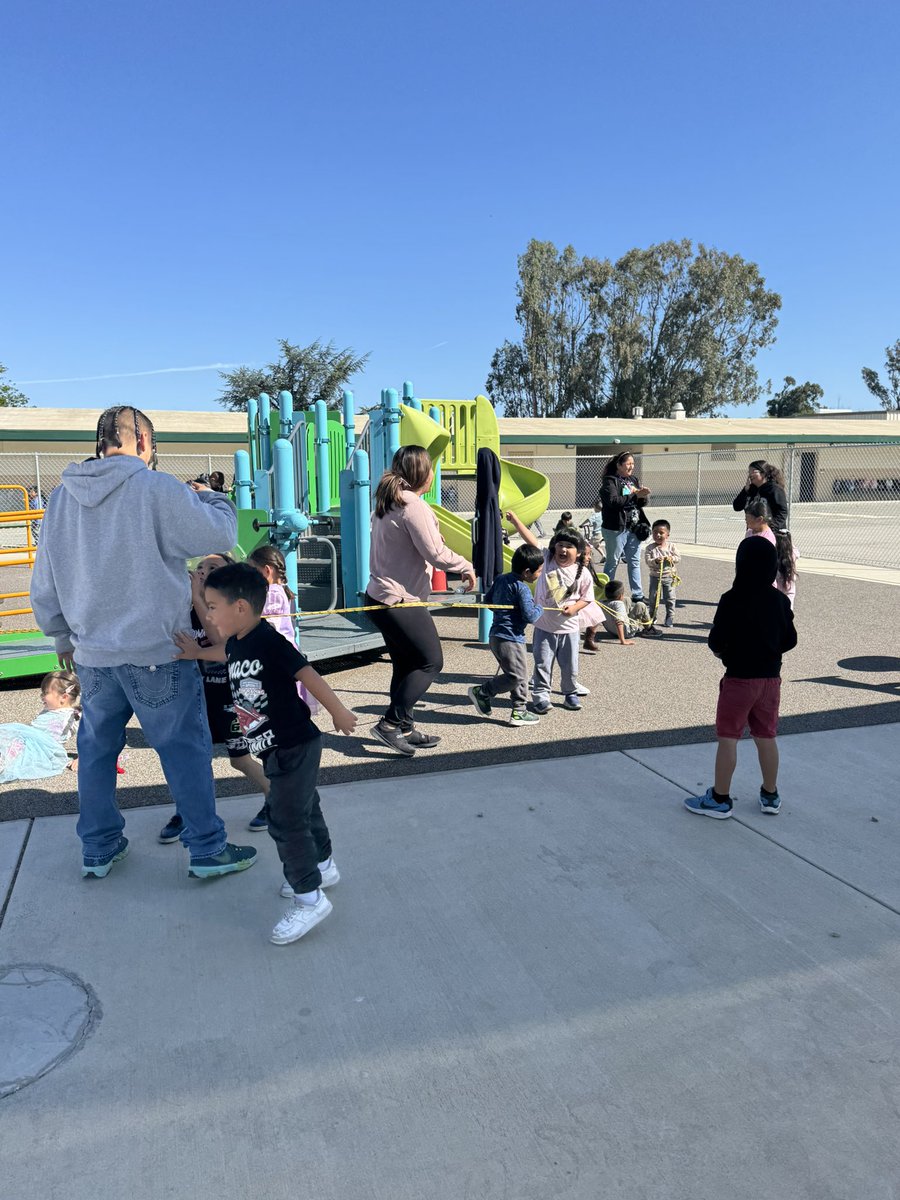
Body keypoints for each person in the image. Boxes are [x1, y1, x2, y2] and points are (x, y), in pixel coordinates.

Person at [29, 405, 257, 881]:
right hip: (158, 650)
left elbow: (44, 577)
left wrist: (57, 633)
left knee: (96, 752)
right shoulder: (157, 488)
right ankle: (206, 848)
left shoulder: (60, 499)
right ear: (144, 444)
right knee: (183, 751)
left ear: (98, 445)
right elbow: (220, 534)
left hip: (92, 654)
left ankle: (98, 848)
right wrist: (213, 497)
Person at [176, 562, 357, 945]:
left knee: (285, 821)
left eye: (212, 606)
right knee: (306, 808)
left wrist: (339, 711)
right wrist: (196, 652)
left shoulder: (269, 640)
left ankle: (310, 898)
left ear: (240, 607)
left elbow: (306, 673)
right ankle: (323, 866)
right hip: (273, 747)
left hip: (294, 743)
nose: (206, 613)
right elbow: (226, 653)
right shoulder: (240, 639)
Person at [364, 445, 476, 756]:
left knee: (405, 664)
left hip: (379, 595)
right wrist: (466, 566)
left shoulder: (387, 503)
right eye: (430, 467)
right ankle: (389, 724)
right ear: (421, 474)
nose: (432, 473)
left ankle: (406, 728)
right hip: (399, 600)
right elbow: (436, 553)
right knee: (430, 662)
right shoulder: (413, 506)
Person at [156, 553, 273, 845]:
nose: (204, 572)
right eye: (200, 568)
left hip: (230, 693)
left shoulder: (229, 608)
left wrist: (199, 599)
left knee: (240, 759)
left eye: (213, 568)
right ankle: (187, 811)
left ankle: (276, 796)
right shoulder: (183, 604)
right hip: (193, 692)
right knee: (190, 758)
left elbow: (221, 641)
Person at [685, 537, 797, 819]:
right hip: (770, 680)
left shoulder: (732, 598)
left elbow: (716, 640)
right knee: (766, 736)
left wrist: (725, 653)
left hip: (738, 679)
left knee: (728, 738)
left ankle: (720, 798)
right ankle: (770, 794)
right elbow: (790, 640)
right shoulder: (780, 601)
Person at [505, 515, 592, 713]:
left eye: (569, 546)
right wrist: (517, 521)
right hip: (544, 626)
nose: (563, 550)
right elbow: (531, 540)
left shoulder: (583, 573)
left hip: (570, 629)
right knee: (542, 663)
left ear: (578, 553)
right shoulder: (546, 560)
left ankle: (570, 693)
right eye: (560, 545)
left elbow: (587, 598)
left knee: (570, 665)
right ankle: (541, 695)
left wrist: (574, 609)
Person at [467, 538, 544, 726]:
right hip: (510, 638)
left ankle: (519, 710)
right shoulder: (523, 588)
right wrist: (539, 607)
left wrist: (505, 611)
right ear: (527, 572)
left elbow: (489, 603)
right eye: (539, 571)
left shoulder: (501, 579)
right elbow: (530, 616)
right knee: (516, 676)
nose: (540, 574)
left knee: (520, 673)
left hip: (496, 636)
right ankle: (483, 691)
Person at [0, 671, 80, 784]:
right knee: (9, 738)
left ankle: (3, 763)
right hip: (28, 739)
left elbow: (91, 736)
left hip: (42, 749)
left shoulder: (72, 716)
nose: (42, 696)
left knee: (16, 751)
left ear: (64, 697)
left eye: (45, 693)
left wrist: (82, 757)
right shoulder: (50, 708)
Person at [598, 450, 651, 601]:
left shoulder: (633, 479)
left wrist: (643, 495)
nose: (631, 467)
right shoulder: (610, 481)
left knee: (634, 561)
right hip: (616, 528)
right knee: (612, 561)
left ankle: (638, 594)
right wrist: (634, 495)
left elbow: (640, 502)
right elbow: (614, 502)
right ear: (619, 465)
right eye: (628, 463)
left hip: (634, 527)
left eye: (633, 464)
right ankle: (606, 593)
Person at [743, 499, 799, 610]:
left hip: (764, 582)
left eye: (748, 517)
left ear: (759, 519)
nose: (745, 520)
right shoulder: (749, 533)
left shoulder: (768, 539)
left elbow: (769, 569)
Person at [732, 460, 788, 530]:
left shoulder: (774, 489)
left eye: (754, 472)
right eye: (749, 472)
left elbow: (782, 512)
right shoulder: (750, 490)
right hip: (753, 532)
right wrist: (745, 490)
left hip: (771, 533)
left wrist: (770, 528)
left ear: (763, 473)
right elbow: (737, 507)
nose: (750, 475)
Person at [644, 519, 681, 627]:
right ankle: (652, 616)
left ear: (667, 535)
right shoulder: (650, 548)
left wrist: (671, 558)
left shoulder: (672, 547)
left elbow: (678, 558)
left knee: (670, 597)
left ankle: (670, 616)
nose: (658, 535)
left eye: (661, 533)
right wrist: (655, 561)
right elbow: (648, 561)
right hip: (655, 577)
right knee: (653, 598)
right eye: (655, 532)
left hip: (669, 577)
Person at [601, 580, 655, 644]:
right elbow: (619, 622)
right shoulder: (619, 604)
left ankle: (628, 623)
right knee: (640, 605)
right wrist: (623, 641)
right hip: (627, 633)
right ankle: (649, 629)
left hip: (612, 632)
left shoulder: (601, 603)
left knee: (626, 599)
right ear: (620, 595)